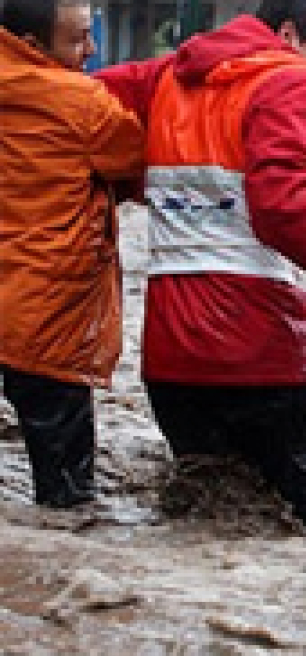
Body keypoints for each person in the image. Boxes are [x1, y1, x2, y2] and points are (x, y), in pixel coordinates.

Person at [95, 0, 306, 537]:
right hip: (262, 348)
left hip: (171, 356)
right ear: (289, 35)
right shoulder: (291, 83)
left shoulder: (169, 77)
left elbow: (68, 106)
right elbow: (282, 206)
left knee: (204, 525)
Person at [0, 0, 145, 509]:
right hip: (46, 317)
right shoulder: (82, 103)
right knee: (68, 501)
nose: (92, 49)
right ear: (34, 46)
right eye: (80, 39)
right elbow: (135, 161)